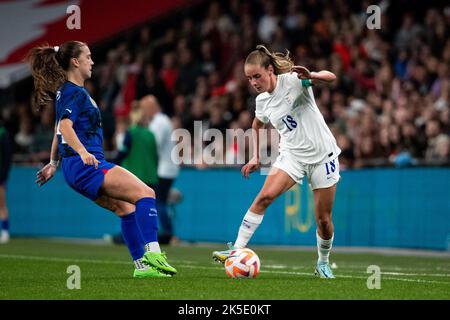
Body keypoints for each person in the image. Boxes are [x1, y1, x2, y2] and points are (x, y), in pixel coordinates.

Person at [29, 41, 177, 278]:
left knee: (126, 208)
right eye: (88, 57)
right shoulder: (73, 92)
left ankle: (143, 268)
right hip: (88, 165)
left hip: (75, 169)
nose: (92, 61)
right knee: (147, 194)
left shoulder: (67, 92)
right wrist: (82, 151)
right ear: (75, 62)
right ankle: (154, 253)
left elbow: (59, 128)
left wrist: (54, 163)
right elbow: (66, 127)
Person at [212, 45, 341, 279]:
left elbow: (331, 77)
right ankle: (236, 250)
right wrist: (256, 156)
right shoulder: (262, 102)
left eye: (257, 76)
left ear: (270, 70)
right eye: (249, 78)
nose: (253, 82)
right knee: (264, 197)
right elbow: (257, 125)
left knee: (323, 220)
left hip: (323, 155)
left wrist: (312, 76)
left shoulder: (293, 81)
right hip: (292, 156)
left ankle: (323, 262)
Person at [140, 95, 180, 244]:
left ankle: (168, 233)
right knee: (159, 201)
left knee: (159, 202)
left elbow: (152, 145)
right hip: (165, 168)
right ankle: (168, 233)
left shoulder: (159, 122)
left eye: (144, 109)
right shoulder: (160, 121)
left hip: (163, 169)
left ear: (151, 107)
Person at [0, 122, 12, 244]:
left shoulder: (2, 133)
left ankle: (5, 231)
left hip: (0, 177)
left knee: (1, 204)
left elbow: (7, 156)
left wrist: (3, 176)